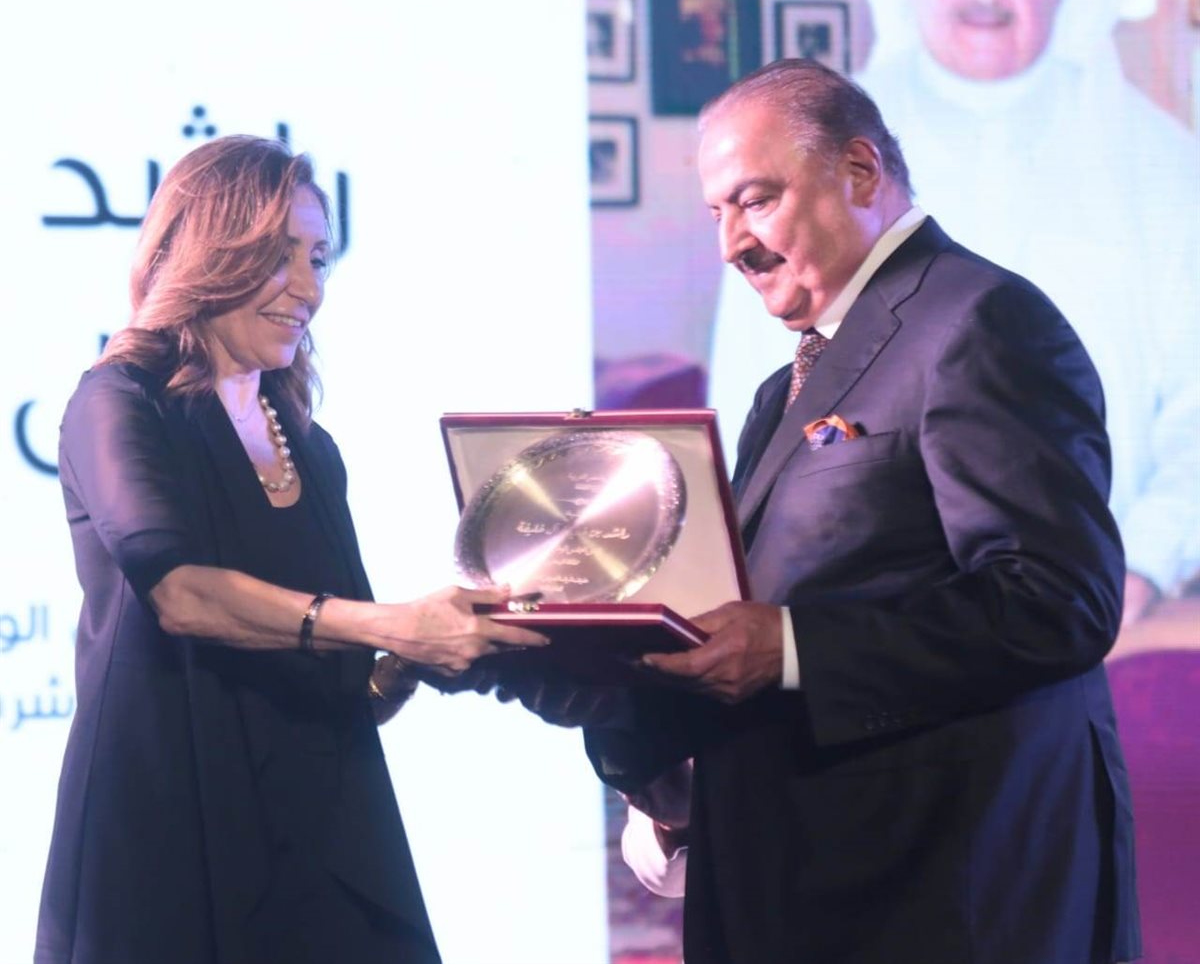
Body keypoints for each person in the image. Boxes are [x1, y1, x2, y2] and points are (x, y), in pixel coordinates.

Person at [574, 59, 1140, 964]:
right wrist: (626, 714)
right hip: (802, 890)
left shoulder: (981, 321)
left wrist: (791, 646)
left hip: (945, 903)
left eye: (755, 201)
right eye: (716, 212)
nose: (731, 244)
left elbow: (1056, 600)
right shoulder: (784, 387)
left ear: (861, 172)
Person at [34, 136, 545, 964]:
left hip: (317, 852)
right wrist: (392, 622)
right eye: (280, 255)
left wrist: (410, 659)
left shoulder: (311, 446)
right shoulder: (118, 401)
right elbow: (181, 593)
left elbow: (345, 693)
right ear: (207, 251)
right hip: (166, 851)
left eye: (318, 258)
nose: (308, 288)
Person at [708, 0, 1200, 624]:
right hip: (833, 625)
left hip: (1097, 612)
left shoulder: (1163, 162)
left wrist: (1142, 565)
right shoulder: (798, 157)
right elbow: (753, 400)